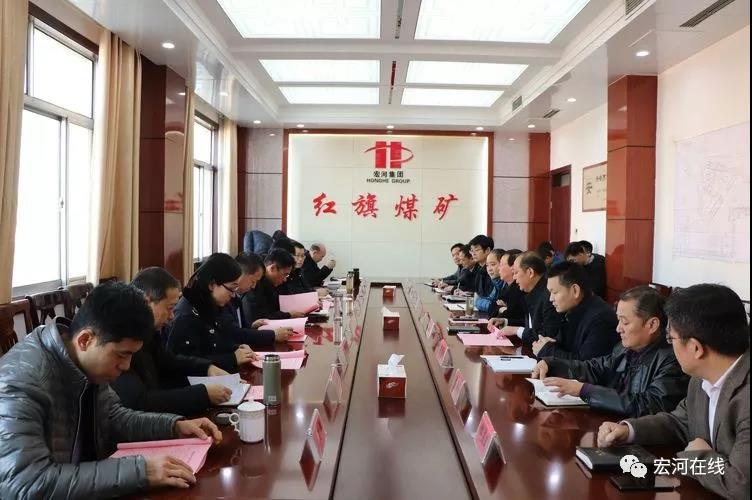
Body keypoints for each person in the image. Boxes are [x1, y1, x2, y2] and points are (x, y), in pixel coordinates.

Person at [0, 282, 222, 498]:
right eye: (121, 355)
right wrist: (140, 472)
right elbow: (25, 485)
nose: (126, 366)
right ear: (85, 340)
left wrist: (174, 427)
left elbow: (114, 418)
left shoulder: (84, 362)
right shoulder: (18, 383)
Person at [597, 284, 749, 500]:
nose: (669, 345)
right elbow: (680, 421)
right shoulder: (701, 377)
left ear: (695, 348)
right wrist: (629, 430)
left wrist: (696, 457)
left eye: (671, 339)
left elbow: (740, 484)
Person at [531, 286, 689, 418]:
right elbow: (594, 368)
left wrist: (585, 390)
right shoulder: (624, 348)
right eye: (618, 320)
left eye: (625, 322)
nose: (618, 328)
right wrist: (551, 364)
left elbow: (648, 405)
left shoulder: (672, 359)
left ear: (652, 325)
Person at [112, 267, 234, 415]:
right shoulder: (122, 338)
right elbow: (140, 402)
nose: (171, 316)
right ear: (147, 301)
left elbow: (168, 361)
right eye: (169, 308)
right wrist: (202, 394)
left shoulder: (148, 331)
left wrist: (207, 368)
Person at [167, 253, 260, 373]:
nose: (233, 295)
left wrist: (236, 348)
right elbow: (184, 364)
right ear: (212, 284)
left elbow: (215, 343)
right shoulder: (186, 315)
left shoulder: (209, 303)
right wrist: (232, 358)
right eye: (232, 289)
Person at [533, 261, 619, 359]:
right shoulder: (573, 311)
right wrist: (549, 344)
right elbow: (565, 346)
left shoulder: (601, 319)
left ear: (575, 290)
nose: (550, 299)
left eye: (555, 292)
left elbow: (585, 363)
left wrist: (546, 351)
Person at [218, 253, 292, 346]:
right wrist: (273, 335)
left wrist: (251, 326)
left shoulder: (237, 296)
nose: (253, 286)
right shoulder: (224, 299)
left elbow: (239, 328)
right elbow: (234, 333)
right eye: (253, 281)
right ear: (240, 274)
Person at [494, 251, 562, 344]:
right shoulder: (532, 292)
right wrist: (505, 321)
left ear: (530, 272)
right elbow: (530, 326)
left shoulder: (549, 295)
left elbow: (546, 336)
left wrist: (516, 330)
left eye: (516, 272)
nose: (514, 277)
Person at [243, 249, 307, 324]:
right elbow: (260, 317)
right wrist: (288, 315)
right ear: (272, 268)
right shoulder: (254, 285)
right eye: (285, 274)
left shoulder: (273, 284)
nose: (285, 279)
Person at [491, 249, 526, 327]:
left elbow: (512, 315)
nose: (498, 268)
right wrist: (503, 309)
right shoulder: (506, 287)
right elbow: (492, 307)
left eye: (501, 264)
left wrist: (504, 310)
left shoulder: (519, 289)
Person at [474, 248, 506, 315]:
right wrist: (494, 306)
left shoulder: (506, 283)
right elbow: (478, 301)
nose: (489, 269)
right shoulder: (496, 282)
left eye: (493, 264)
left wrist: (494, 307)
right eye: (487, 265)